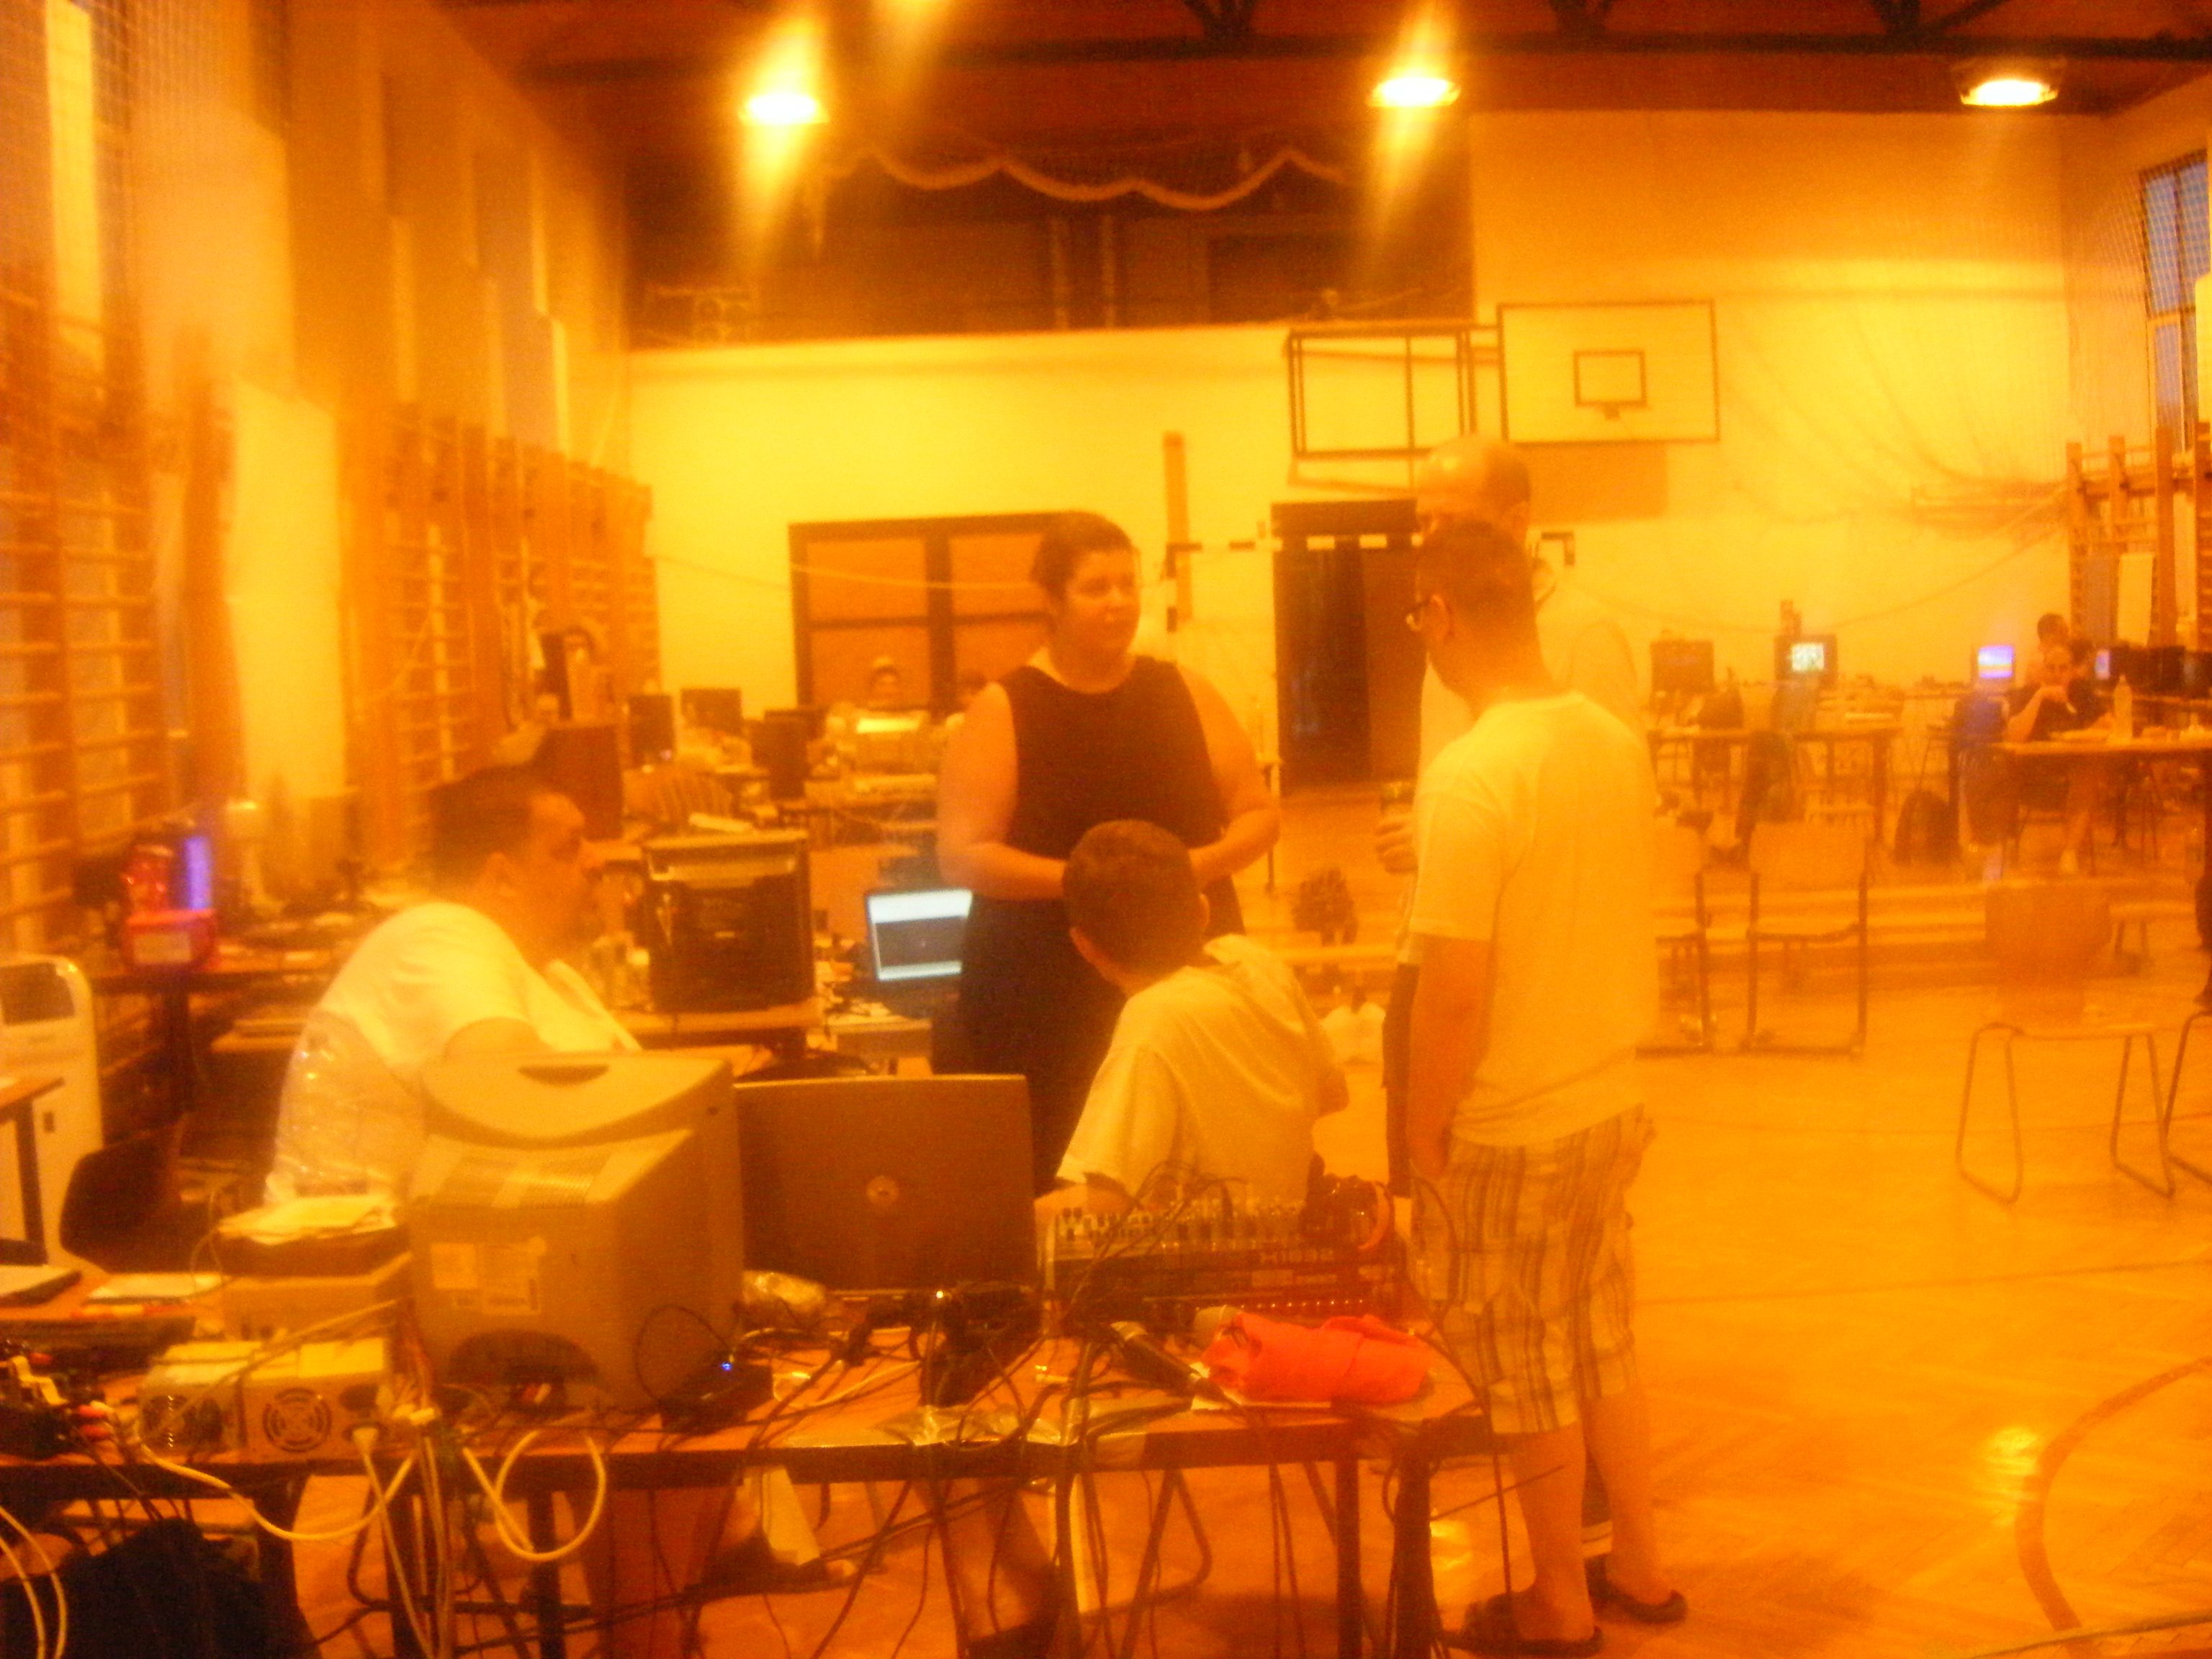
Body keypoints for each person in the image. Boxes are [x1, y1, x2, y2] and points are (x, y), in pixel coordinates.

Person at [1403, 518, 1681, 1655]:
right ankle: (1643, 1569)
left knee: (1524, 1370)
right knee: (1601, 1342)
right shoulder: (1611, 741)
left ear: (1441, 616)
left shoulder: (1472, 774)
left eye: (1417, 618)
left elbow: (1452, 994)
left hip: (1513, 1122)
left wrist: (1422, 1134)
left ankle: (1560, 1601)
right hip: (1608, 1097)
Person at [938, 511, 1278, 1191]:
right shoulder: (1006, 707)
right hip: (1048, 984)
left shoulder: (1184, 690)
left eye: (1128, 584)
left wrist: (1181, 873)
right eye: (1096, 588)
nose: (1119, 601)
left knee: (1196, 1171)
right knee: (1072, 1176)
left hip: (1183, 964)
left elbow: (1258, 813)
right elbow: (965, 855)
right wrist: (1097, 884)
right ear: (1052, 600)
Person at [266, 765, 636, 1201]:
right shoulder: (440, 935)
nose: (598, 861)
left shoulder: (552, 974)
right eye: (570, 848)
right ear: (504, 878)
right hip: (369, 1238)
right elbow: (512, 1091)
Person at [1040, 819, 1346, 1217]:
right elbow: (1333, 1092)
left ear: (1084, 946)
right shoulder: (1256, 961)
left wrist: (1004, 1221)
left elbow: (1106, 1201)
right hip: (1294, 1224)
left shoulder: (1153, 1019)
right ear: (1203, 911)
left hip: (1210, 1251)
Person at [2000, 634, 2110, 875]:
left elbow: (2107, 722)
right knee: (2085, 777)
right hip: (2033, 777)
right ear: (2042, 670)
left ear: (2072, 671)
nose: (2057, 674)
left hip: (2073, 771)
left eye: (2063, 668)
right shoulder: (2026, 694)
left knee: (2089, 772)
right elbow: (2014, 736)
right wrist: (2040, 697)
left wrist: (2097, 727)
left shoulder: (2082, 693)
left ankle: (2069, 852)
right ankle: (2071, 849)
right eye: (2051, 668)